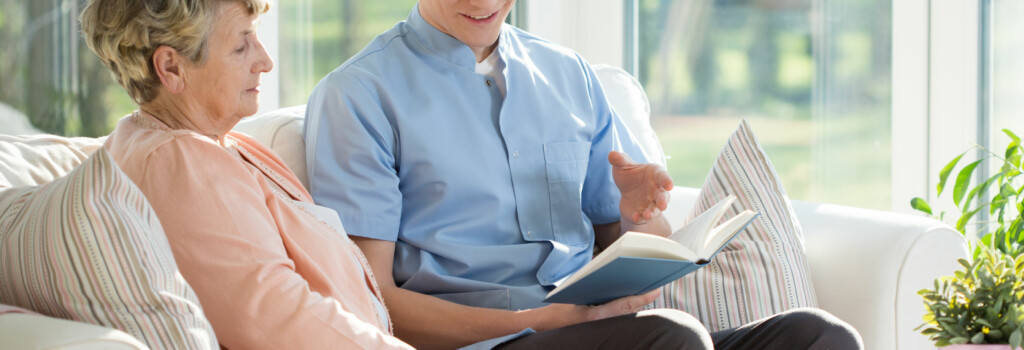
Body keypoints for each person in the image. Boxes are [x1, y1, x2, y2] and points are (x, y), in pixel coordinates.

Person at [305, 0, 865, 349]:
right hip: (488, 341)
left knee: (820, 336)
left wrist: (638, 218)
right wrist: (540, 320)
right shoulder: (358, 96)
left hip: (607, 332)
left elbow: (622, 249)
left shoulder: (567, 74)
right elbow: (372, 304)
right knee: (670, 339)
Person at [80, 0, 414, 348]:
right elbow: (276, 319)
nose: (266, 62)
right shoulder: (180, 163)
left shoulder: (195, 144)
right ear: (171, 68)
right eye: (241, 46)